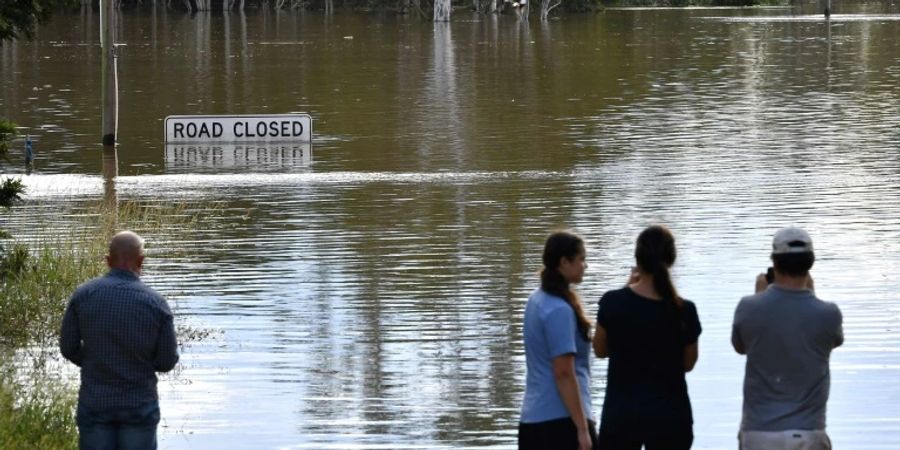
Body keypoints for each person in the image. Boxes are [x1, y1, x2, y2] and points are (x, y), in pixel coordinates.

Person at [60, 231, 179, 450]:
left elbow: (68, 347)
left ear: (108, 261)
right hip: (139, 404)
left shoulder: (83, 295)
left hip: (95, 402)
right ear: (141, 261)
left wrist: (93, 361)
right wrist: (139, 364)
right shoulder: (156, 303)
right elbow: (167, 361)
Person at [732, 227, 843, 450]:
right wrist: (811, 293)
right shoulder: (828, 314)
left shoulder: (749, 307)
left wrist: (759, 297)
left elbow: (740, 346)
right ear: (810, 263)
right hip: (809, 433)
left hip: (759, 433)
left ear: (774, 262)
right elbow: (832, 340)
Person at [593, 225, 701, 449]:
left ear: (638, 259)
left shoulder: (613, 302)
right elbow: (688, 364)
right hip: (670, 417)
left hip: (621, 417)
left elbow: (600, 350)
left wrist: (626, 289)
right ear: (671, 259)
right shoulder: (684, 310)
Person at [519, 231, 596, 450]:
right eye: (581, 259)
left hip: (533, 420)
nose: (585, 265)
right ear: (564, 262)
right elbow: (563, 372)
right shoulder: (559, 309)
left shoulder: (536, 300)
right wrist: (582, 429)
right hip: (561, 424)